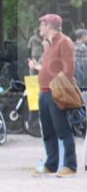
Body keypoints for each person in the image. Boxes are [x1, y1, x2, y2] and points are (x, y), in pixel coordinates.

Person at [27, 14, 77, 177]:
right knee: (48, 131)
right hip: (43, 91)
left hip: (55, 92)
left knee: (62, 129)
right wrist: (39, 67)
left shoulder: (65, 42)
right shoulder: (48, 44)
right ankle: (52, 164)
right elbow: (53, 69)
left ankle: (70, 165)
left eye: (42, 24)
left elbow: (68, 71)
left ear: (49, 25)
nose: (40, 28)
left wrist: (55, 85)